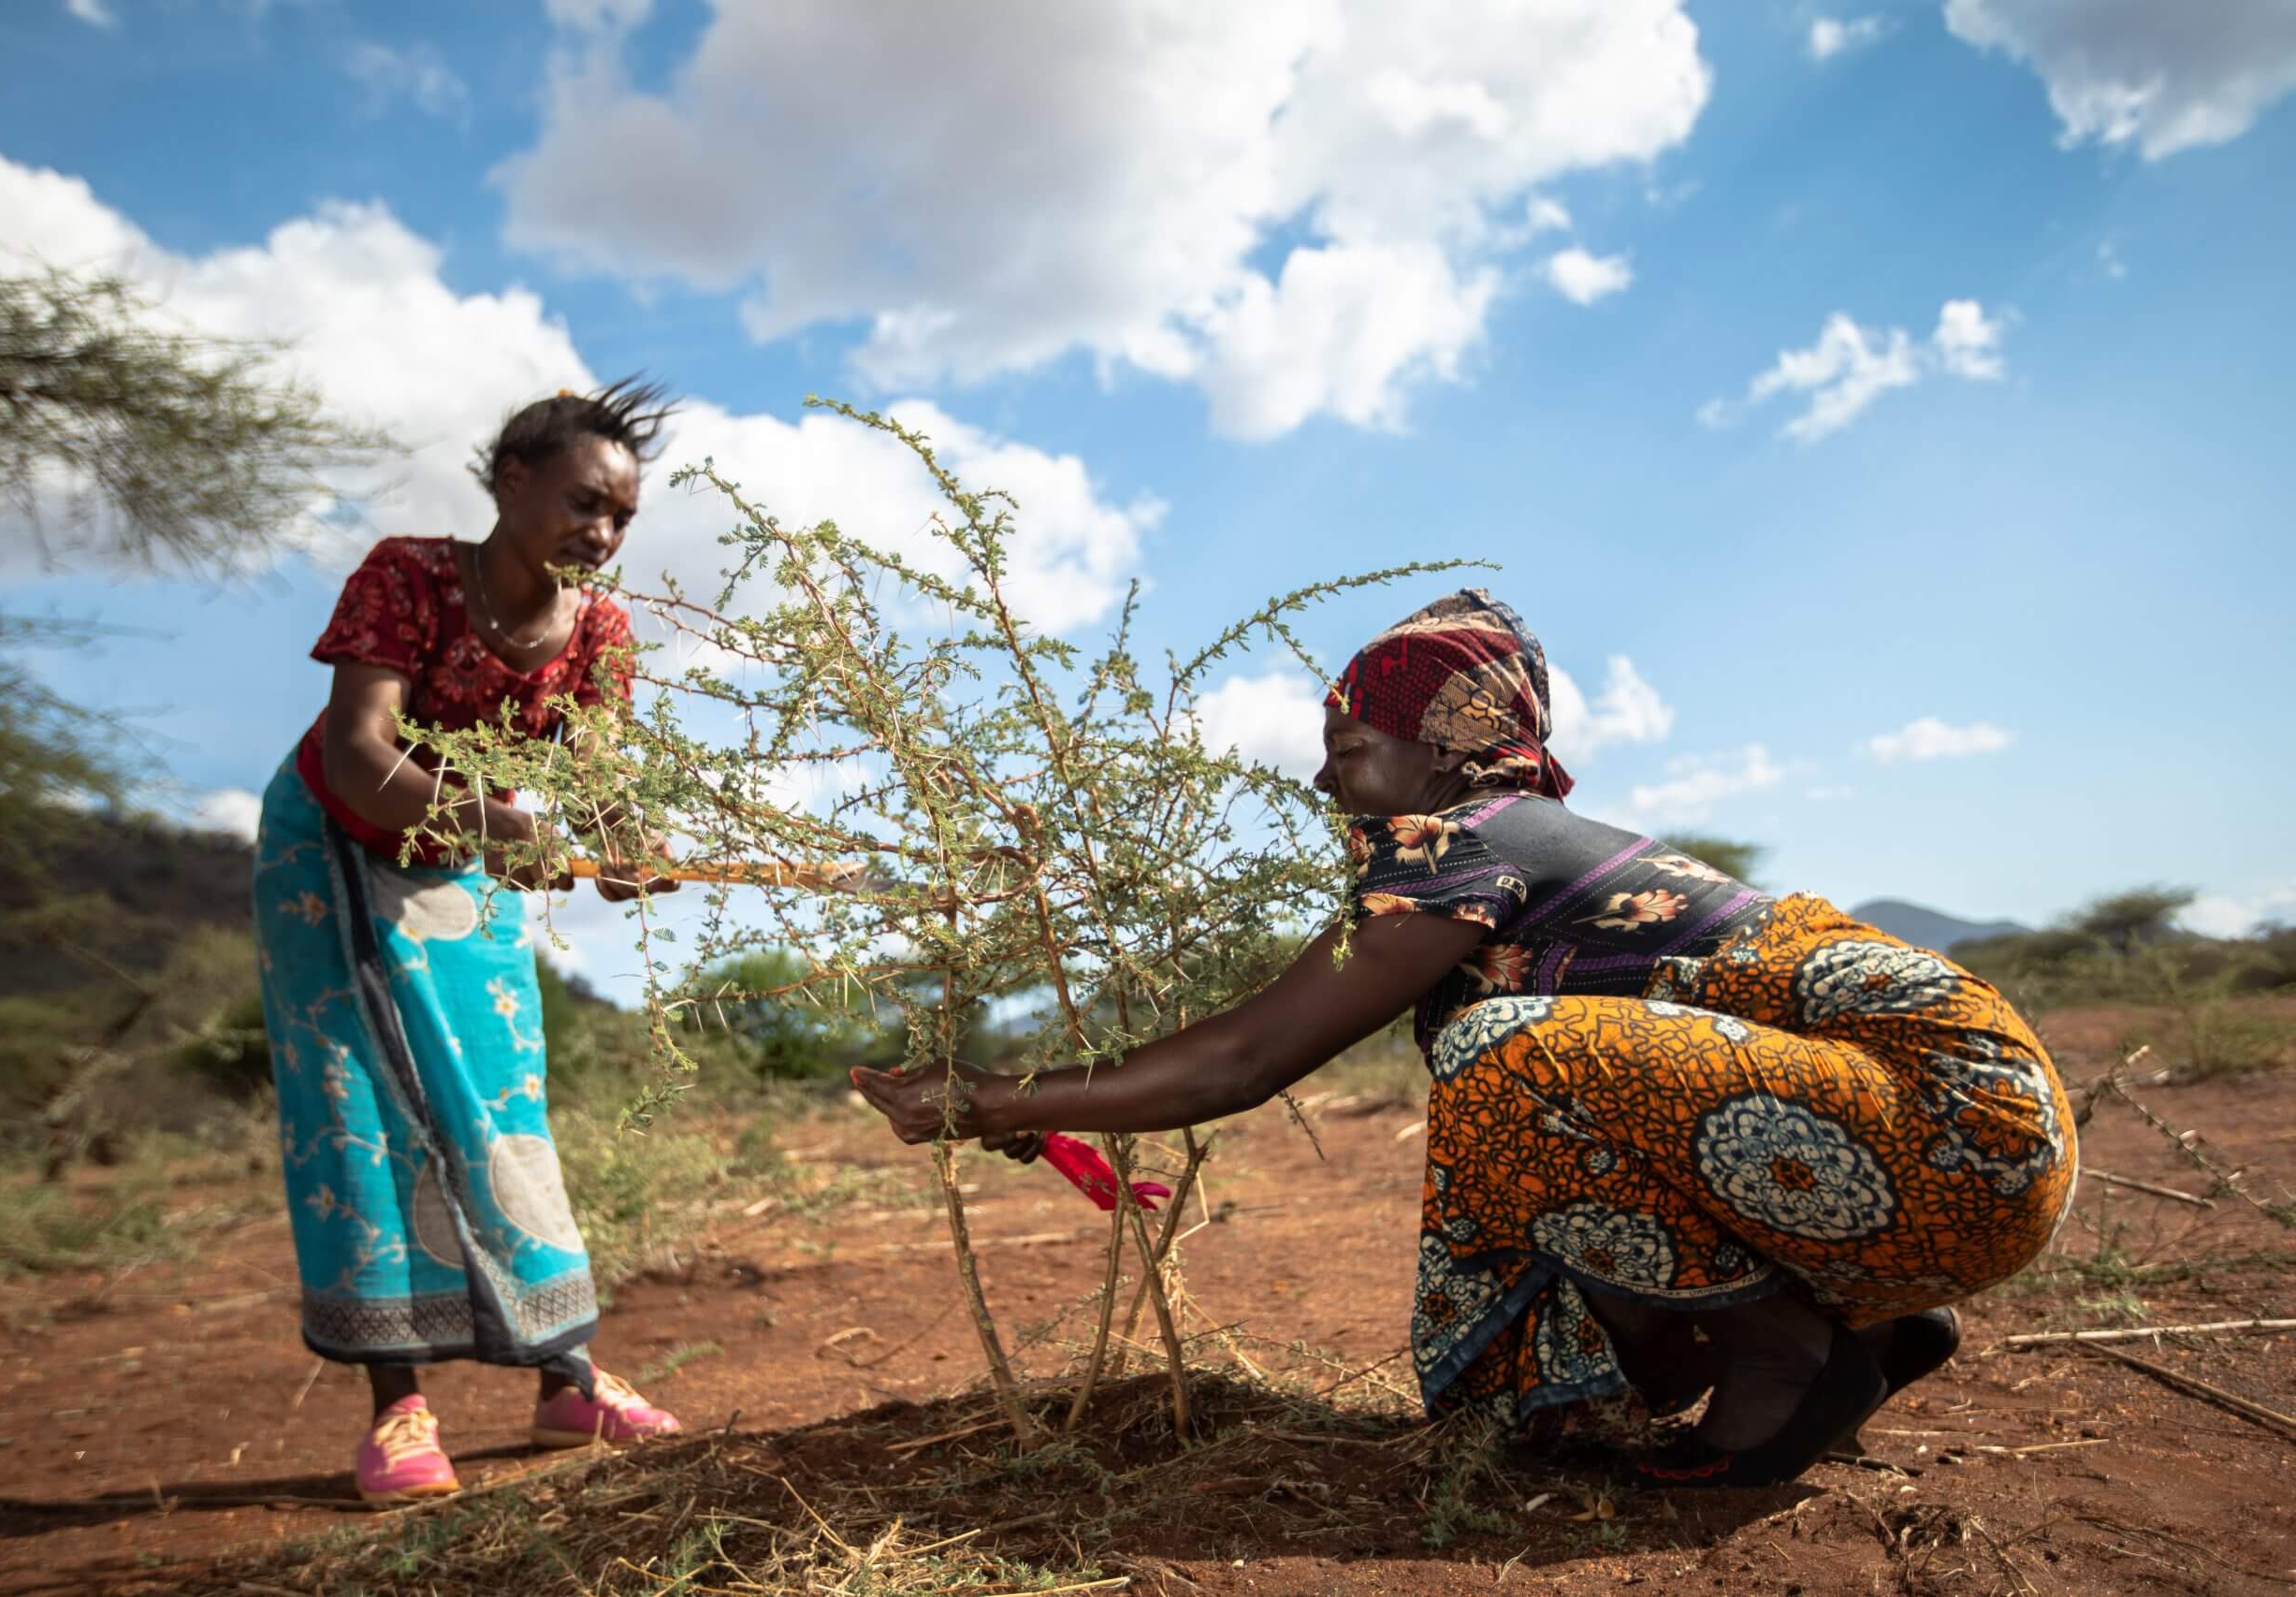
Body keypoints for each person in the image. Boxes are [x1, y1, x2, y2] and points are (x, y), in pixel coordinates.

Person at [853, 589, 2077, 1488]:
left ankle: (1786, 1358)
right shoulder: (1532, 852)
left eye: (1349, 752)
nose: (1331, 789)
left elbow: (1247, 1058)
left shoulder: (1463, 838)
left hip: (1950, 1120)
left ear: (1438, 744)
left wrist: (999, 1097)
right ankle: (1855, 1311)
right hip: (1953, 1145)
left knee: (1503, 1060)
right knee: (1496, 1241)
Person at [253, 379, 686, 1506]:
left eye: (622, 518)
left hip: (464, 864)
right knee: (363, 1108)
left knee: (500, 1101)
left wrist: (629, 846)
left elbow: (597, 781)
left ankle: (566, 1378)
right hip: (336, 854)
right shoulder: (406, 576)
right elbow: (357, 753)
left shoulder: (600, 628)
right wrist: (503, 826)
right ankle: (397, 1411)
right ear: (513, 483)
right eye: (587, 504)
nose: (603, 534)